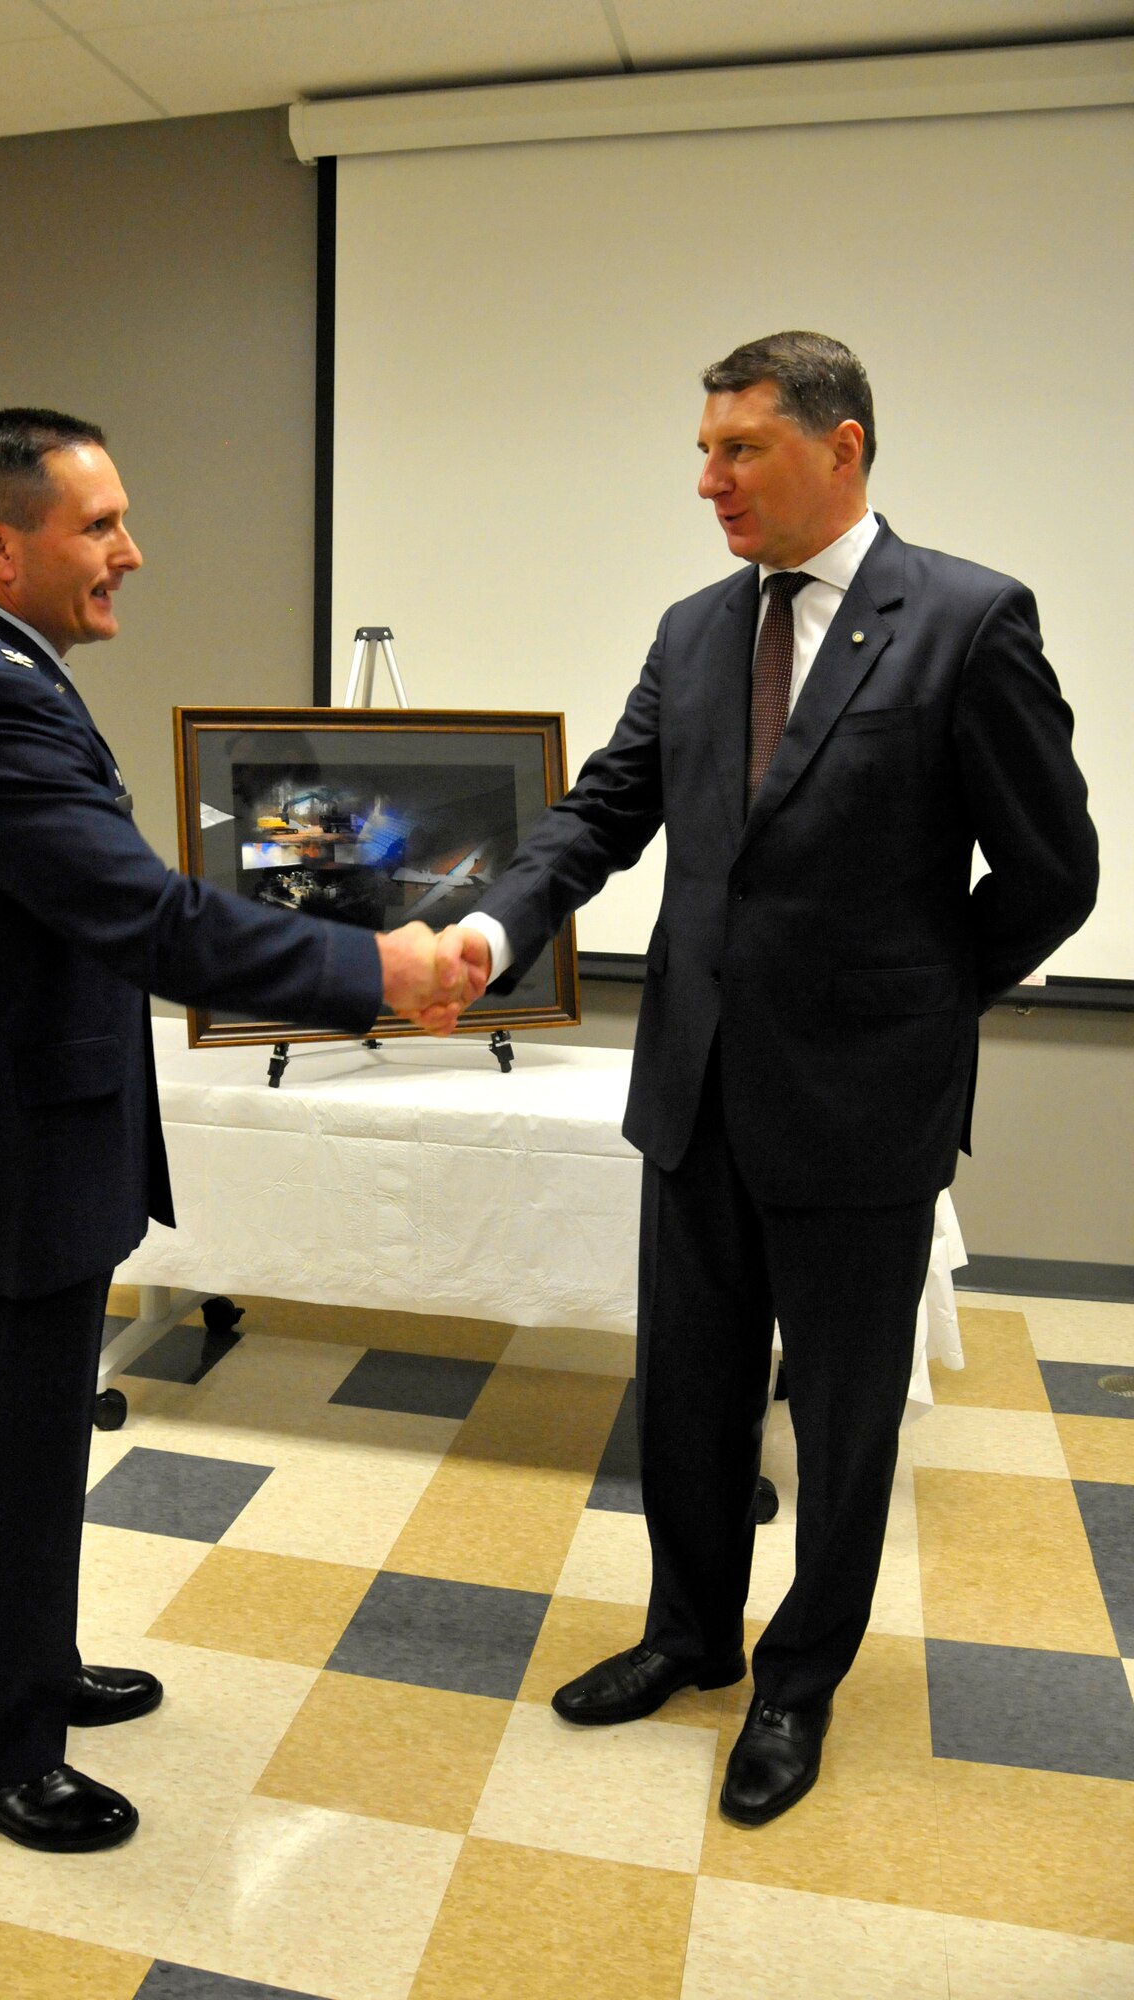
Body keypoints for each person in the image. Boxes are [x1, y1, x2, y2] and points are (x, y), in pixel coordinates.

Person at [442, 332, 1098, 1826]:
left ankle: (800, 1685)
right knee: (688, 1391)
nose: (708, 479)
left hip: (865, 1108)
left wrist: (927, 1003)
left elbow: (1056, 871)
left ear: (842, 447)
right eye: (706, 447)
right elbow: (605, 809)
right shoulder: (692, 631)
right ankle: (691, 1634)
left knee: (846, 1421)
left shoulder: (967, 621)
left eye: (739, 448)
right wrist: (495, 924)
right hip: (694, 1090)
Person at [0, 407, 483, 1854]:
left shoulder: (0, 671)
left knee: (29, 1438)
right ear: (0, 546)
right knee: (11, 1454)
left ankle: (31, 1665)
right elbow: (147, 917)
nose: (132, 553)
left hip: (16, 1131)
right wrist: (376, 971)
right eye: (100, 527)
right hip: (4, 1151)